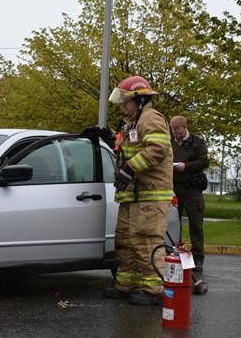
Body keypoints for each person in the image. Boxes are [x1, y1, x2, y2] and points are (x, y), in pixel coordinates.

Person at [103, 75, 174, 306]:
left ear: (140, 99)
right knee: (125, 241)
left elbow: (158, 149)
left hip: (150, 195)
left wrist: (129, 170)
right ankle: (128, 285)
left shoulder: (151, 118)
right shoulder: (134, 122)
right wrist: (109, 138)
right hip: (133, 195)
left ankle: (155, 290)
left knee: (146, 241)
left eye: (127, 100)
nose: (123, 104)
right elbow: (126, 148)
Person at [170, 115, 210, 272]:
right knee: (174, 223)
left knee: (195, 223)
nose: (177, 135)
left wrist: (186, 166)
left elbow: (204, 162)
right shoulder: (171, 143)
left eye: (179, 131)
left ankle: (198, 257)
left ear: (185, 127)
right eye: (174, 132)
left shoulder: (197, 142)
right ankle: (177, 252)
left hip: (192, 188)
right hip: (175, 186)